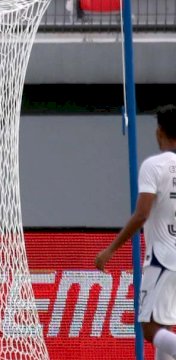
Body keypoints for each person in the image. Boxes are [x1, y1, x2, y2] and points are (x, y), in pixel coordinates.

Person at [95, 105, 176, 360]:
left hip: (163, 257)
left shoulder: (155, 166)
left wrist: (110, 250)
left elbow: (141, 214)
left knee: (150, 329)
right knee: (164, 326)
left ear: (158, 132)